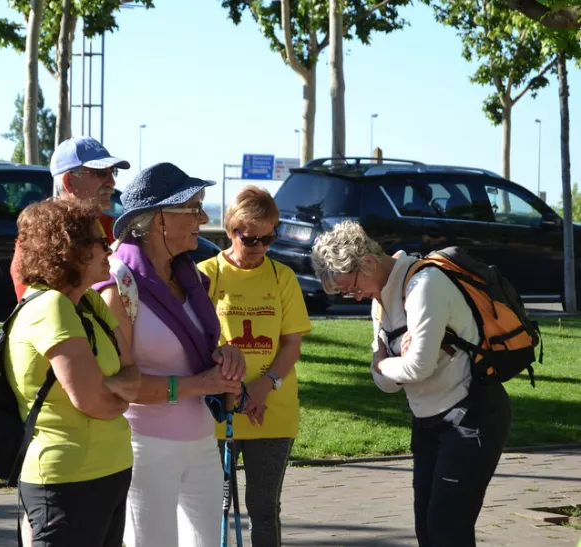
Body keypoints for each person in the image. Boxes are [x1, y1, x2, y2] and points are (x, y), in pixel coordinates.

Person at [310, 220, 512, 547]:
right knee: (427, 530)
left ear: (369, 262)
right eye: (347, 292)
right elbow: (386, 384)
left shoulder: (424, 285)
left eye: (353, 287)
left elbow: (415, 368)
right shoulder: (381, 301)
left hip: (472, 418)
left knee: (448, 530)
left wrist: (384, 362)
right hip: (428, 422)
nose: (356, 297)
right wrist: (392, 366)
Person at [95, 162, 246, 547]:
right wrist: (203, 383)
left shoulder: (190, 277)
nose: (204, 217)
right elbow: (118, 385)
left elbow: (201, 352)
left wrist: (226, 358)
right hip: (144, 447)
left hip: (200, 440)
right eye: (193, 208)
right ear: (159, 218)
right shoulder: (118, 284)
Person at [8, 198, 139, 547]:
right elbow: (92, 401)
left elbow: (133, 377)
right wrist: (113, 392)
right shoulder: (50, 307)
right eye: (99, 240)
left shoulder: (90, 302)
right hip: (65, 480)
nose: (109, 246)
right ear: (70, 250)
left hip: (110, 471)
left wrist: (108, 386)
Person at [197, 186, 310, 547]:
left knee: (263, 507)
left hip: (272, 410)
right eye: (251, 239)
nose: (260, 247)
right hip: (218, 409)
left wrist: (264, 386)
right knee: (213, 504)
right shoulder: (206, 274)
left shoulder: (283, 277)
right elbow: (196, 342)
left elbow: (291, 343)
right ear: (232, 230)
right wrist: (231, 391)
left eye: (269, 238)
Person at [11, 136, 129, 300]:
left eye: (113, 172)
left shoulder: (107, 225)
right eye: (101, 172)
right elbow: (35, 304)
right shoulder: (38, 235)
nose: (112, 182)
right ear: (69, 181)